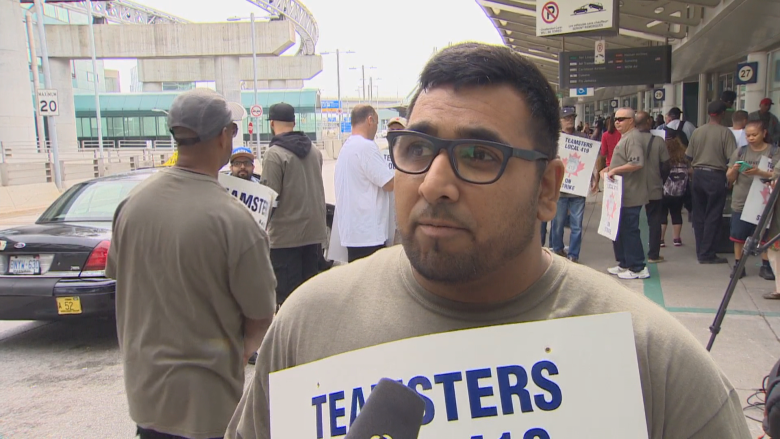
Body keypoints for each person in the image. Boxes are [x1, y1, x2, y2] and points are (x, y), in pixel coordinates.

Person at [225, 42, 751, 439]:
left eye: (479, 155)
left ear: (548, 188)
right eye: (415, 148)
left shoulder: (654, 363)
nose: (433, 183)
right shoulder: (306, 325)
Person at [106, 89, 276, 439]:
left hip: (146, 398)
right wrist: (238, 354)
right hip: (208, 408)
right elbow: (261, 316)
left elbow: (121, 278)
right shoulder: (235, 221)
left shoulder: (131, 205)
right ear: (222, 137)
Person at [260, 102, 328, 307]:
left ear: (272, 123)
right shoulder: (314, 151)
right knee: (308, 297)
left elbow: (268, 198)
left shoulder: (274, 154)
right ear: (294, 122)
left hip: (285, 239)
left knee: (287, 301)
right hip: (314, 235)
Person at [334, 104, 394, 262]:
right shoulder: (366, 147)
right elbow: (389, 183)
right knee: (372, 283)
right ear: (370, 120)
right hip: (369, 235)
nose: (376, 128)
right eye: (376, 122)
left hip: (353, 233)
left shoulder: (346, 148)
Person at [726, 119, 779, 280]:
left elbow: (776, 174)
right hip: (742, 198)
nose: (751, 138)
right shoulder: (740, 151)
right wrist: (734, 170)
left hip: (764, 199)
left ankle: (765, 265)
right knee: (738, 234)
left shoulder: (774, 152)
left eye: (754, 135)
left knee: (764, 233)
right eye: (748, 135)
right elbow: (729, 176)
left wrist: (760, 172)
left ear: (764, 133)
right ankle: (738, 264)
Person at [686, 101, 738, 264]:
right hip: (716, 175)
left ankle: (700, 250)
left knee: (699, 214)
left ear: (709, 113)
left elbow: (689, 156)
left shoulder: (697, 131)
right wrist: (730, 179)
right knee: (713, 215)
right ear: (723, 113)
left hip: (698, 175)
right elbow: (733, 158)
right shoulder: (725, 133)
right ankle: (707, 253)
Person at [602, 108, 650, 279]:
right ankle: (624, 262)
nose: (617, 122)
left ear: (631, 120)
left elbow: (637, 163)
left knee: (630, 229)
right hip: (620, 194)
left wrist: (614, 170)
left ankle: (638, 266)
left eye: (622, 119)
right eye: (615, 119)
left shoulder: (634, 138)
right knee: (619, 229)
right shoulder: (626, 137)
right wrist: (608, 169)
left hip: (631, 193)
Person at [550, 107, 588, 263]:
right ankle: (557, 250)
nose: (570, 120)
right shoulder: (555, 139)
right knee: (557, 223)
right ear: (560, 121)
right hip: (560, 189)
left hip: (578, 190)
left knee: (577, 225)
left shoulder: (584, 138)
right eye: (566, 118)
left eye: (572, 117)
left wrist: (592, 179)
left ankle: (573, 254)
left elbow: (588, 160)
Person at [636, 111, 670, 263]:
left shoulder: (629, 140)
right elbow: (666, 165)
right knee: (654, 221)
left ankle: (634, 253)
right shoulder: (658, 141)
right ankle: (653, 254)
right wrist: (660, 179)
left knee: (631, 221)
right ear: (649, 122)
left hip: (633, 187)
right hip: (654, 186)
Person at [660, 134, 691, 248]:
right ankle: (676, 239)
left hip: (665, 192)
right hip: (679, 193)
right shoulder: (683, 161)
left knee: (662, 215)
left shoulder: (665, 162)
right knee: (676, 214)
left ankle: (661, 240)